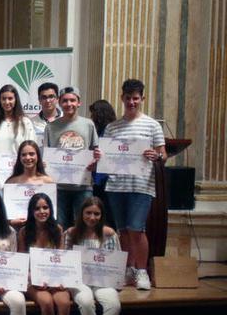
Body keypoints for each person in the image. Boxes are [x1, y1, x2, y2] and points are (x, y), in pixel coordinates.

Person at [102, 79, 166, 290]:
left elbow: (163, 154)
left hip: (141, 185)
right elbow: (106, 155)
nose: (131, 102)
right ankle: (128, 269)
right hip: (117, 186)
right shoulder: (112, 127)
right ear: (122, 98)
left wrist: (155, 155)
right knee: (123, 231)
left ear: (142, 99)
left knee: (137, 229)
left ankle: (142, 271)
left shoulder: (152, 125)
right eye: (128, 98)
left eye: (135, 98)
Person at [64, 196, 122, 315]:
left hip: (103, 281)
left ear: (101, 215)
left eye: (96, 214)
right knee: (85, 301)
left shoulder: (110, 234)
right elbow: (66, 261)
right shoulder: (71, 234)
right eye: (88, 213)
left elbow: (116, 262)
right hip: (79, 280)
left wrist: (117, 281)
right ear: (81, 213)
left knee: (114, 304)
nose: (92, 217)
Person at [17, 193, 70, 315]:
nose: (42, 211)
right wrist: (35, 279)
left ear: (50, 209)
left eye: (45, 207)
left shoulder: (58, 229)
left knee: (64, 303)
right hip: (32, 280)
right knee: (46, 302)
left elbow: (61, 258)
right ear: (32, 211)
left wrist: (58, 280)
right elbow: (22, 261)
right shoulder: (25, 232)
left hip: (55, 278)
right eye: (37, 208)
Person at [44, 87, 100, 228]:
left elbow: (95, 150)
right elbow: (46, 154)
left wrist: (96, 160)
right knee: (59, 227)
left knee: (84, 227)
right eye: (65, 101)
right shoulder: (51, 127)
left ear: (79, 102)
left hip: (83, 186)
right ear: (59, 103)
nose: (69, 104)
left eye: (72, 100)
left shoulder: (88, 124)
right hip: (58, 187)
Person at [4, 140, 54, 226]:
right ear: (19, 158)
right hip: (18, 228)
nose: (27, 157)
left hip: (43, 228)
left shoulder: (48, 181)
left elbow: (52, 210)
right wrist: (11, 222)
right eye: (23, 155)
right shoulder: (11, 182)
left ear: (38, 156)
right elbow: (5, 212)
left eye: (31, 154)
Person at [88, 99, 118, 229]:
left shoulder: (109, 132)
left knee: (107, 218)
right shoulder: (95, 131)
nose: (91, 117)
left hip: (106, 181)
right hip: (98, 179)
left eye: (93, 113)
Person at [0, 84, 36, 155]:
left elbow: (31, 148)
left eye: (10, 98)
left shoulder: (25, 122)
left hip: (18, 165)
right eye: (3, 99)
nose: (7, 102)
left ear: (16, 100)